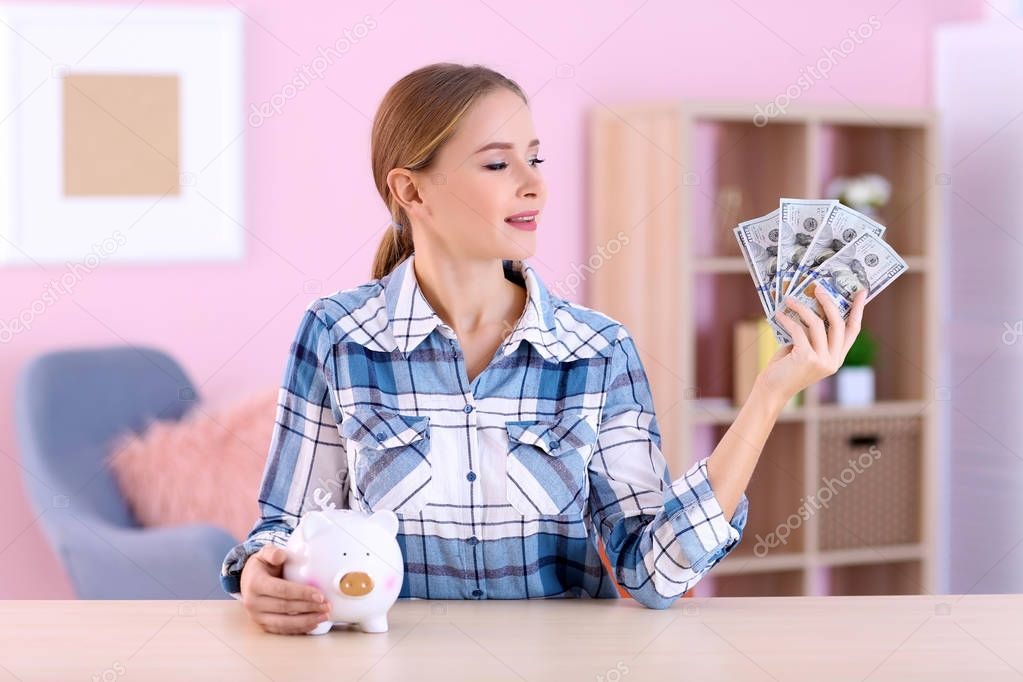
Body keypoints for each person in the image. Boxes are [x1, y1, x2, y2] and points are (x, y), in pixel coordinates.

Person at [221, 62, 865, 635]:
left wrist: (768, 394)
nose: (534, 186)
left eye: (536, 158)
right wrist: (261, 574)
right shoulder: (336, 334)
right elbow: (288, 530)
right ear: (412, 191)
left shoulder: (599, 350)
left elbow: (654, 574)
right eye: (499, 163)